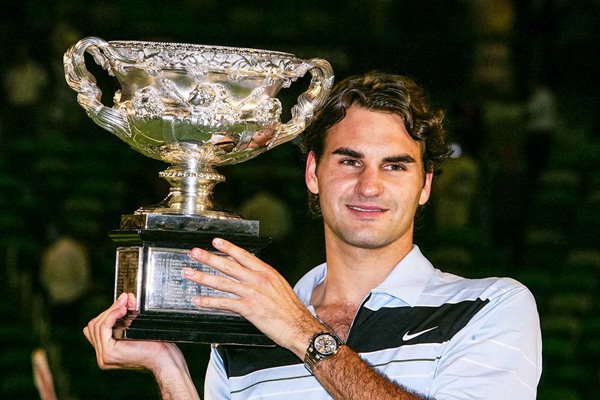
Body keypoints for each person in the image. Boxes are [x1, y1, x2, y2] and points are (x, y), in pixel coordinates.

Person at [84, 71, 542, 399]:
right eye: (349, 160)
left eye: (395, 166)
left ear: (424, 186)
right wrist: (170, 371)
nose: (369, 185)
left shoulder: (489, 307)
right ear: (312, 174)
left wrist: (303, 332)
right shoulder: (248, 332)